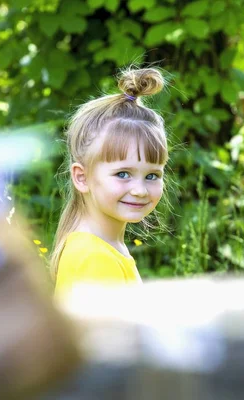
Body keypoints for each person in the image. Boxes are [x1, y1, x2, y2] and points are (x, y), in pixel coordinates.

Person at [51, 67, 169, 297]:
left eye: (152, 175)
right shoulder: (94, 258)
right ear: (82, 177)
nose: (139, 190)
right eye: (123, 173)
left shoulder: (102, 248)